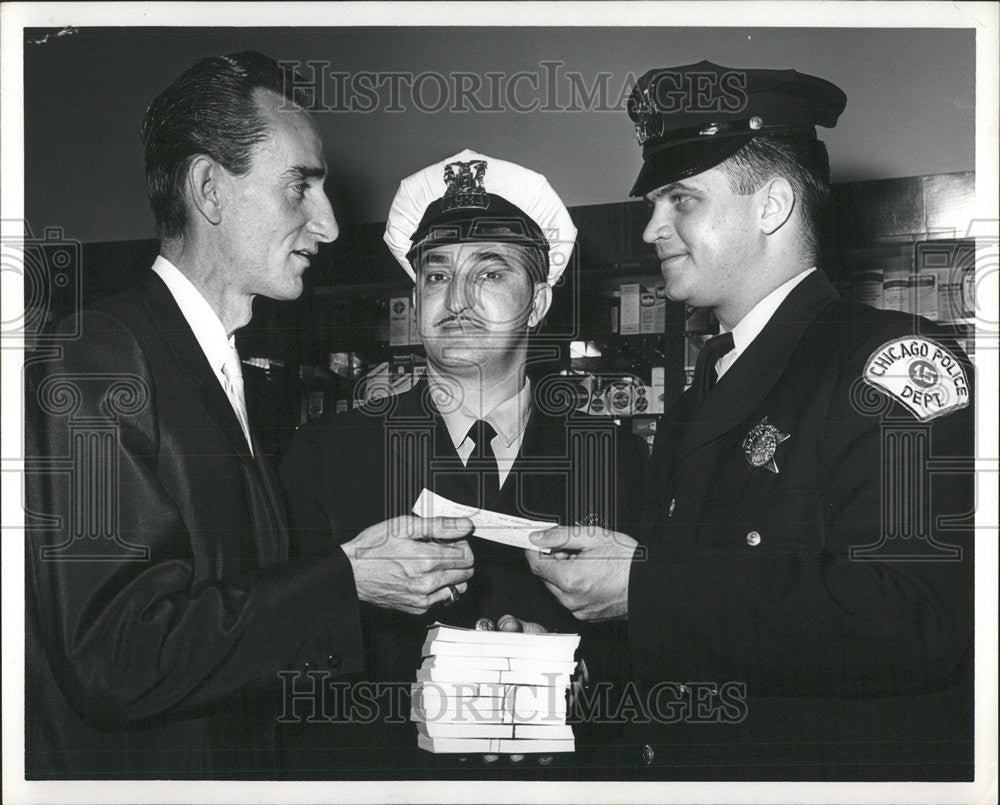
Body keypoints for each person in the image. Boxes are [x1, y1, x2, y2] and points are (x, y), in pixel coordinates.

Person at [24, 51, 473, 778]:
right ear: (209, 188)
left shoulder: (218, 369)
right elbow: (115, 654)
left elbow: (234, 623)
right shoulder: (103, 355)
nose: (327, 225)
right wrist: (345, 579)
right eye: (301, 186)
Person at [525, 61, 975, 780]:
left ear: (771, 205)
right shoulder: (706, 385)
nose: (650, 228)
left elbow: (911, 617)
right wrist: (553, 666)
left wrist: (644, 587)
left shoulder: (890, 362)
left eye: (680, 199)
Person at [277, 149, 648, 778]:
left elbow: (658, 649)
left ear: (538, 302)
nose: (457, 298)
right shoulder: (328, 454)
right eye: (437, 274)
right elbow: (282, 650)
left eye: (491, 273)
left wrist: (576, 681)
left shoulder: (616, 458)